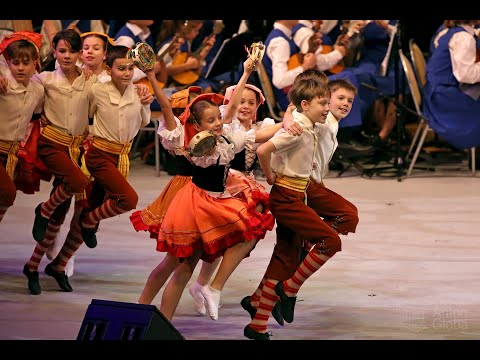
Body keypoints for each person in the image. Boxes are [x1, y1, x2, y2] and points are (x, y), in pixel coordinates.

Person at [243, 77, 358, 340]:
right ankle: (291, 286)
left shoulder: (314, 121)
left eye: (345, 101)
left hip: (298, 191)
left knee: (285, 254)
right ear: (308, 104)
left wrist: (292, 114)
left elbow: (301, 108)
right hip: (290, 193)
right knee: (333, 236)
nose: (333, 106)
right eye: (330, 100)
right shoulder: (304, 127)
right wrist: (270, 175)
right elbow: (264, 146)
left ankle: (257, 323)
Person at [78, 45, 153, 248]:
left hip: (122, 156)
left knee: (95, 205)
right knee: (129, 199)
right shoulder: (97, 90)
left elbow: (144, 122)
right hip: (99, 155)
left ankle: (60, 263)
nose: (127, 73)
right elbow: (85, 115)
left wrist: (145, 102)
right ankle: (87, 221)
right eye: (121, 68)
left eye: (130, 68)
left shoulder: (138, 92)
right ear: (109, 69)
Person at [0, 31, 44, 230]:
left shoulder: (38, 90)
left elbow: (36, 115)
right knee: (7, 194)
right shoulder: (4, 84)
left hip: (12, 153)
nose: (20, 67)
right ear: (8, 63)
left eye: (25, 63)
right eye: (15, 63)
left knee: (4, 199)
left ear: (35, 63)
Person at [422, 20, 480, 150]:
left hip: (434, 93)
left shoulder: (449, 32)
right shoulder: (463, 38)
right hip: (443, 100)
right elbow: (465, 75)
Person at [262, 20, 317, 111]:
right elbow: (279, 81)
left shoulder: (283, 36)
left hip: (296, 91)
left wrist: (310, 50)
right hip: (289, 98)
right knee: (346, 78)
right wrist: (305, 67)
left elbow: (292, 64)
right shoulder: (280, 42)